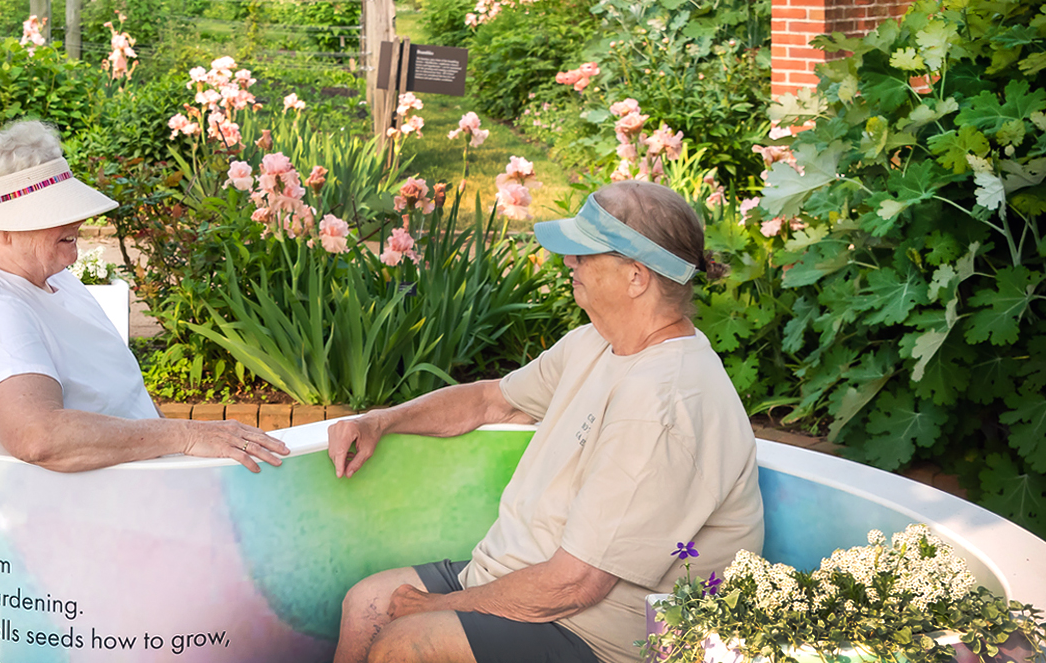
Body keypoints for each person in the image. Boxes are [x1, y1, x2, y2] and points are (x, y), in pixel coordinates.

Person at [326, 181, 764, 663]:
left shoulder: (663, 402)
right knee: (365, 602)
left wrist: (439, 606)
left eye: (583, 253)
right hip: (518, 578)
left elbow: (577, 583)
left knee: (408, 645)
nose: (567, 262)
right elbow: (492, 400)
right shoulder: (596, 342)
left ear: (636, 277)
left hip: (602, 633)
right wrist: (381, 421)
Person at [0, 120, 289, 473]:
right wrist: (185, 436)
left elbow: (122, 393)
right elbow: (39, 436)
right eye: (54, 212)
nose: (78, 222)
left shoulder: (49, 278)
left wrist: (180, 445)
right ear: (0, 228)